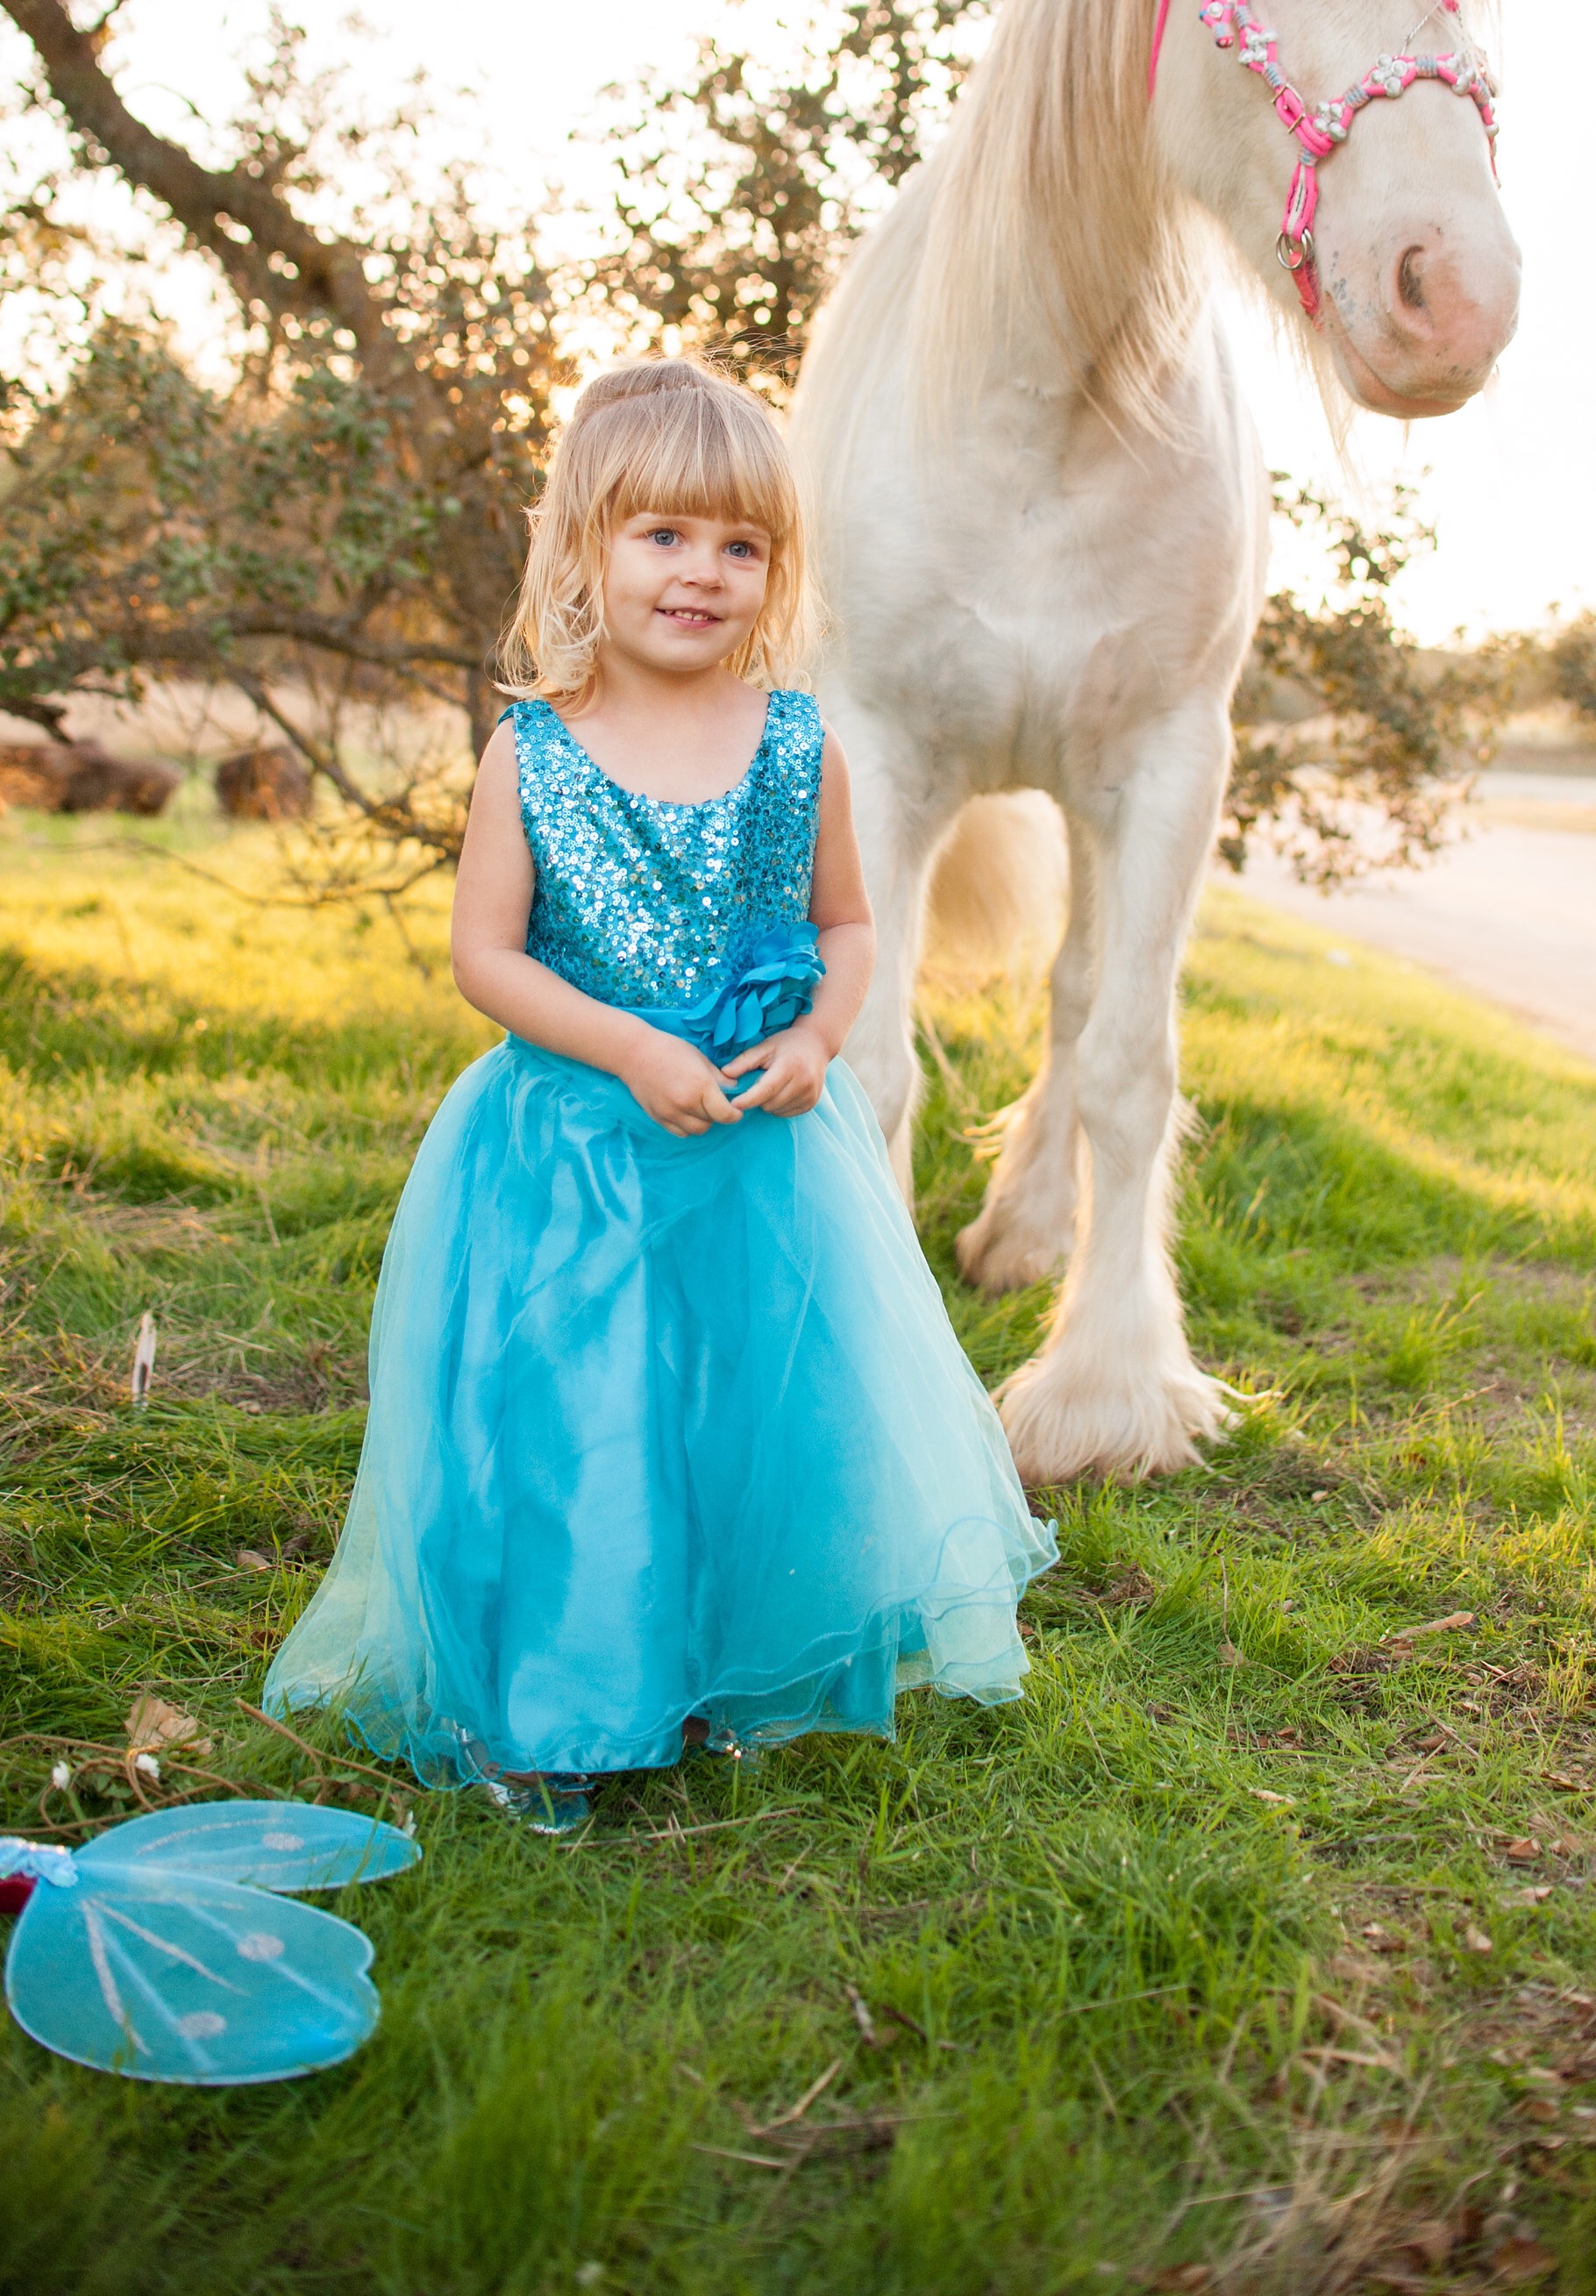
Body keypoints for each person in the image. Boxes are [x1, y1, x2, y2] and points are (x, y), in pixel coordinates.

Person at [264, 354, 1055, 1829]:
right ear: (585, 549)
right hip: (569, 1155)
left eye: (740, 546)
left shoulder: (795, 744)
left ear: (775, 570)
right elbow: (486, 959)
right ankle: (562, 1704)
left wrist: (821, 1036)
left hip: (758, 1159)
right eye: (665, 537)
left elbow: (850, 927)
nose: (703, 573)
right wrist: (627, 1044)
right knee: (583, 1419)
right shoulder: (536, 750)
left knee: (743, 1412)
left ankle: (714, 1659)